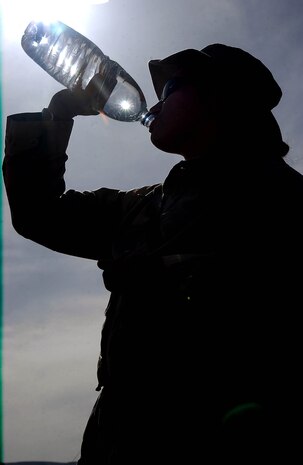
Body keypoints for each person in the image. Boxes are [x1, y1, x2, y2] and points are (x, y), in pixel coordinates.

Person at [3, 43, 303, 463]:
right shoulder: (142, 207)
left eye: (171, 89)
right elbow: (39, 216)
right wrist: (57, 115)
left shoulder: (285, 203)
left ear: (222, 98)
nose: (156, 105)